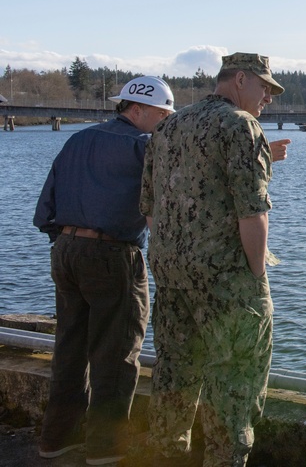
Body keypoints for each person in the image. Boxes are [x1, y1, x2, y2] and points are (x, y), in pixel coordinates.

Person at [140, 53, 287, 467]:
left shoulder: (168, 126)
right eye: (265, 89)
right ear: (240, 80)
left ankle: (165, 456)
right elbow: (252, 212)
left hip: (171, 278)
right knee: (236, 381)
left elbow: (151, 209)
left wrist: (176, 256)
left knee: (174, 375)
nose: (269, 99)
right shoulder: (241, 125)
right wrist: (256, 279)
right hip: (227, 284)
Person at [33, 76, 176, 465]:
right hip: (113, 253)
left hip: (64, 249)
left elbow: (44, 207)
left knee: (69, 347)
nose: (164, 123)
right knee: (116, 352)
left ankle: (55, 440)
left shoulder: (77, 140)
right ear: (138, 109)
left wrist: (69, 241)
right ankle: (105, 449)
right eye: (163, 115)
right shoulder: (144, 147)